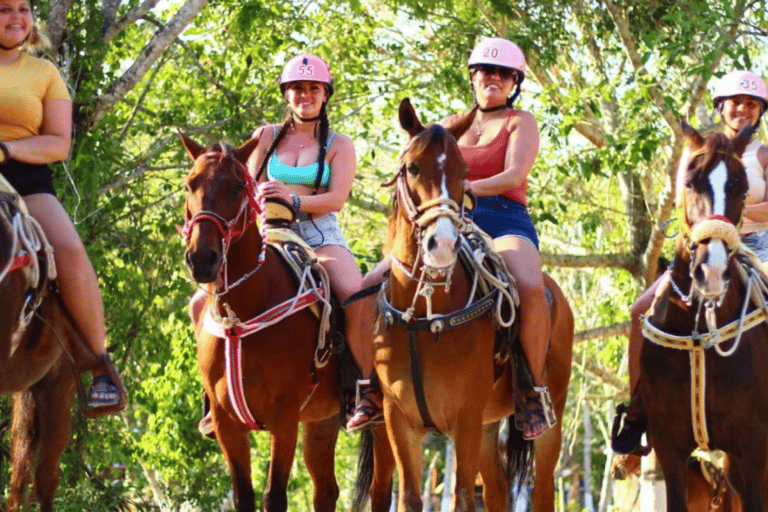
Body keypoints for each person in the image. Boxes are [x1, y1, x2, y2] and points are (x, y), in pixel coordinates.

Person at [191, 54, 381, 434]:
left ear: (325, 94)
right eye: (297, 88)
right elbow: (246, 187)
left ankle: (364, 390)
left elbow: (337, 199)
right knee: (199, 303)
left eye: (313, 88)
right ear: (286, 94)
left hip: (320, 232)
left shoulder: (339, 143)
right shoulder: (264, 136)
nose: (305, 95)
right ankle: (213, 396)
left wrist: (294, 201)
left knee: (353, 295)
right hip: (269, 230)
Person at [612, 69, 768, 454]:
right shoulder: (696, 151)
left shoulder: (762, 154)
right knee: (640, 310)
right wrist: (712, 222)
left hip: (757, 245)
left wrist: (728, 214)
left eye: (752, 104)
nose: (743, 109)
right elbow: (685, 205)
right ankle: (639, 407)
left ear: (760, 112)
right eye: (736, 102)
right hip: (701, 247)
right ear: (720, 107)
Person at [0, 0, 123, 411]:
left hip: (24, 181)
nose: (16, 17)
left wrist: (8, 148)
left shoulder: (44, 73)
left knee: (68, 249)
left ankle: (98, 365)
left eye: (23, 9)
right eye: (4, 9)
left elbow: (58, 143)